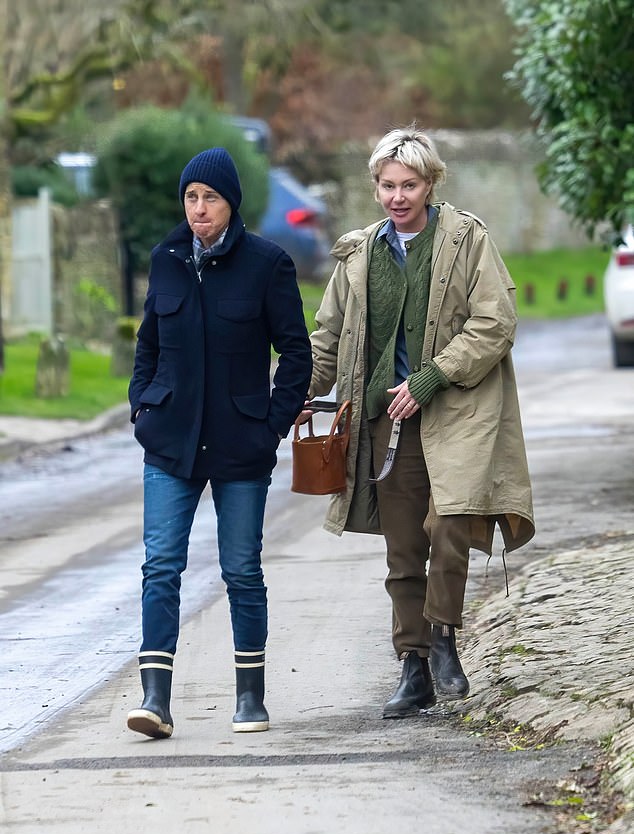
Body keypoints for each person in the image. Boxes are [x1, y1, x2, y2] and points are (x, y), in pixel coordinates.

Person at [302, 126, 535, 718]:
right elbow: (328, 339)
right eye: (387, 186)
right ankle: (413, 668)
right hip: (386, 422)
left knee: (452, 521)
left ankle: (443, 638)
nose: (398, 196)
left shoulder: (466, 240)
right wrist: (294, 398)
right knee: (403, 549)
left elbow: (495, 321)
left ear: (432, 183)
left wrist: (432, 375)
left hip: (458, 410)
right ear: (375, 187)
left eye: (409, 184)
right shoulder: (357, 258)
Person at [127, 147, 312, 738]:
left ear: (230, 203)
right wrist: (143, 408)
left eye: (209, 198)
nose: (198, 209)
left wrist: (271, 425)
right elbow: (148, 345)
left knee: (241, 569)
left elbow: (296, 354)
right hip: (171, 443)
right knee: (161, 567)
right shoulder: (166, 258)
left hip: (240, 444)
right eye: (190, 197)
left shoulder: (268, 264)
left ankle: (250, 698)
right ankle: (155, 700)